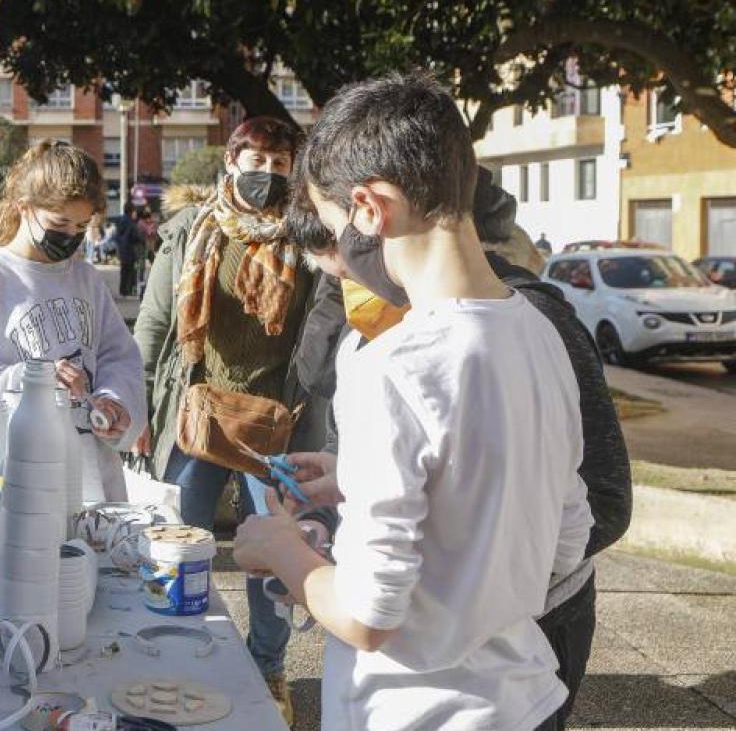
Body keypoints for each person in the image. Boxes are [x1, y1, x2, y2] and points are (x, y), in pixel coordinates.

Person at [234, 74, 593, 731]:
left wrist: (282, 548)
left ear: (370, 209)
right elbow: (567, 539)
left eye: (338, 226)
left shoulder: (396, 364)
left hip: (418, 712)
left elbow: (369, 615)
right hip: (524, 699)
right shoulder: (542, 331)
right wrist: (361, 479)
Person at [282, 166, 631, 727]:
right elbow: (462, 472)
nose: (353, 293)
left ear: (372, 217)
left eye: (347, 268)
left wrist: (474, 585)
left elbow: (602, 503)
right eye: (333, 282)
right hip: (512, 681)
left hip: (502, 654)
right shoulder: (390, 338)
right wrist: (355, 480)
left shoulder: (533, 326)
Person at [133, 116, 310, 725]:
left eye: (279, 162)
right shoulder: (191, 230)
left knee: (274, 556)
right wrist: (138, 409)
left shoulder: (308, 239)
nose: (265, 172)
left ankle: (268, 666)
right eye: (254, 158)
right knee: (179, 545)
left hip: (275, 425)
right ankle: (178, 656)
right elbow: (155, 325)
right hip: (198, 414)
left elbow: (321, 334)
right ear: (231, 161)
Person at [0, 140, 146, 501]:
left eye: (81, 226)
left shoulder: (86, 278)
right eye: (59, 222)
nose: (69, 237)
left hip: (91, 474)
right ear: (24, 208)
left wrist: (115, 401)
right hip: (20, 474)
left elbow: (118, 357)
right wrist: (33, 376)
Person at [115, 201, 144, 296]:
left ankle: (123, 290)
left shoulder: (120, 221)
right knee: (131, 271)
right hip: (130, 249)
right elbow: (135, 237)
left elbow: (116, 236)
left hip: (122, 249)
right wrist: (141, 240)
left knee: (124, 270)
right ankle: (129, 290)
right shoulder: (131, 222)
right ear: (131, 211)